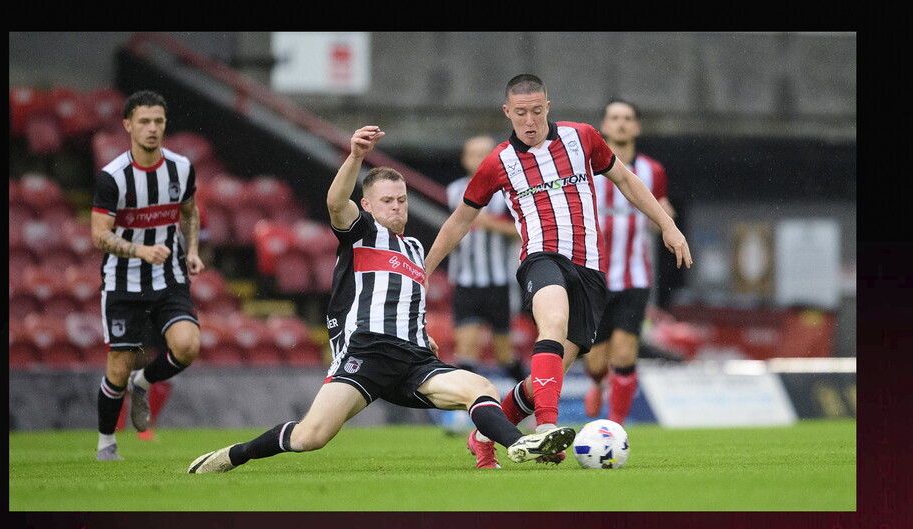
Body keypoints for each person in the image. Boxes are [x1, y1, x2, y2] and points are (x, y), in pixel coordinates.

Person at [187, 126, 576, 474]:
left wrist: (422, 333)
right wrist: (356, 157)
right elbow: (335, 202)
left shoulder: (415, 247)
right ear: (368, 205)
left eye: (401, 200)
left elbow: (406, 299)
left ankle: (519, 444)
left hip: (414, 358)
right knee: (310, 437)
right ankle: (235, 455)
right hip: (367, 353)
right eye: (387, 200)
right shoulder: (360, 232)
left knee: (481, 387)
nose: (396, 206)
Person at [424, 74, 692, 467]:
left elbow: (625, 179)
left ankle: (482, 436)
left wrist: (667, 225)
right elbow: (459, 221)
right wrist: (424, 271)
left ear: (548, 106)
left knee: (544, 379)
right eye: (520, 113)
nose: (530, 121)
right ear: (507, 112)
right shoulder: (499, 161)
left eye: (537, 111)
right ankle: (546, 428)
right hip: (540, 258)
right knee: (552, 323)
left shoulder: (582, 137)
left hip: (589, 270)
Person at [91, 90, 203, 460]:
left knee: (187, 346)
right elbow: (99, 235)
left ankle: (144, 382)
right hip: (123, 281)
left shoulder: (181, 168)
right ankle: (106, 444)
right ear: (128, 125)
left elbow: (189, 211)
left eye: (158, 121)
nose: (152, 128)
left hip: (169, 276)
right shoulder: (112, 177)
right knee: (118, 368)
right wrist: (140, 251)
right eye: (144, 121)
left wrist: (193, 251)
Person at [582, 99, 677, 424]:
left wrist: (665, 219)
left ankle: (614, 428)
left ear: (636, 127)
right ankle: (598, 384)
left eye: (627, 118)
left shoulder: (653, 171)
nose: (621, 123)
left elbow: (661, 208)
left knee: (624, 353)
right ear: (604, 126)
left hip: (635, 276)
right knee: (596, 361)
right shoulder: (586, 168)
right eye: (614, 117)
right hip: (593, 277)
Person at [439, 135, 525, 435]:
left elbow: (522, 230)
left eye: (484, 154)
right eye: (473, 154)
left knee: (504, 353)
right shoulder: (453, 191)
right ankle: (464, 412)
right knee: (466, 347)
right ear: (465, 159)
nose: (478, 159)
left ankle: (531, 403)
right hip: (465, 281)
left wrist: (493, 224)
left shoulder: (508, 191)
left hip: (498, 283)